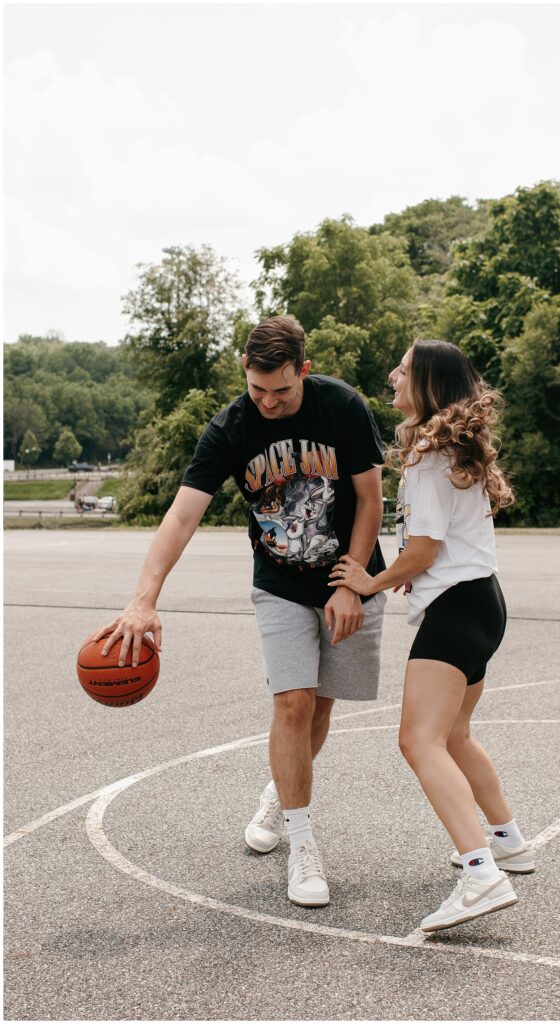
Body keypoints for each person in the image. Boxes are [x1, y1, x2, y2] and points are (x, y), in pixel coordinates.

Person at [93, 315, 386, 908]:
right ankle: (303, 845)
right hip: (278, 581)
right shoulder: (229, 427)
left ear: (303, 369)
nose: (269, 402)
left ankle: (280, 796)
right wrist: (143, 597)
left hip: (347, 577)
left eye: (281, 390)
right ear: (244, 375)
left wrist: (353, 583)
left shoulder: (342, 406)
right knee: (292, 701)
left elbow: (371, 499)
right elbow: (181, 516)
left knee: (320, 708)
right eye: (257, 390)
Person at [329, 338, 533, 933]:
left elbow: (423, 550)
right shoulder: (450, 453)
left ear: (428, 385)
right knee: (455, 734)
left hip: (456, 609)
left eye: (404, 369)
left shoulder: (430, 459)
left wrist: (370, 582)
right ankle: (507, 840)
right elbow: (433, 550)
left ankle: (480, 876)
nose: (392, 375)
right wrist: (403, 577)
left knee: (418, 742)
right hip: (481, 602)